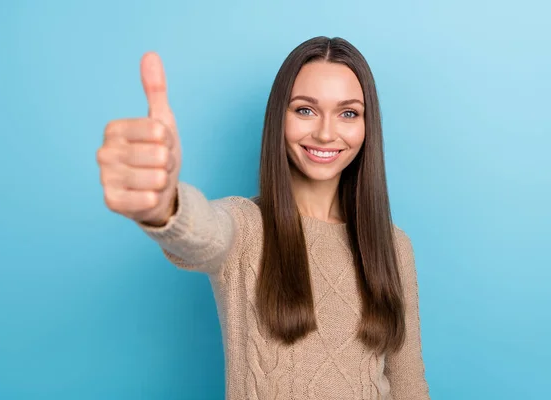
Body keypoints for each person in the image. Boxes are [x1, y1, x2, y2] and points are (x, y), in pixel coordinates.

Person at [96, 36, 430, 399]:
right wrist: (164, 204)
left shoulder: (394, 247)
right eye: (305, 110)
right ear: (279, 117)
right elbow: (203, 231)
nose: (325, 132)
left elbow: (410, 385)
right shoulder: (246, 227)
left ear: (367, 127)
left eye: (348, 113)